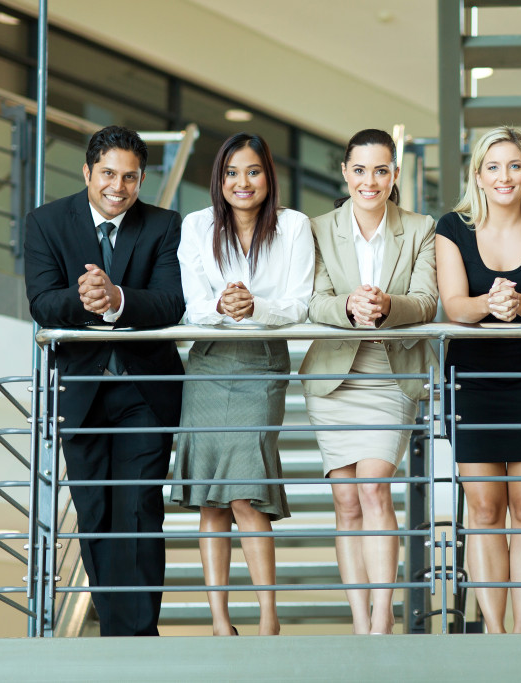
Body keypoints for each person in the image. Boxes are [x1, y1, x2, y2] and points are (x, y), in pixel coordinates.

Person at [23, 125, 185, 636]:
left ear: (141, 179)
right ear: (88, 171)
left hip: (144, 391)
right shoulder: (47, 222)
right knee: (95, 513)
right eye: (109, 174)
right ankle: (118, 634)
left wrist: (117, 298)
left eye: (131, 177)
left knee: (137, 508)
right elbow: (43, 302)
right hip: (82, 391)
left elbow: (170, 303)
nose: (119, 186)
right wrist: (89, 296)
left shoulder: (164, 225)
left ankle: (138, 638)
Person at [170, 133, 314, 636]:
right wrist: (222, 307)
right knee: (212, 497)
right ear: (219, 179)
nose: (242, 182)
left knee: (246, 495)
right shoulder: (196, 225)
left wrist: (255, 307)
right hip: (208, 363)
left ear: (268, 176)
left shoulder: (294, 226)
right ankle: (219, 622)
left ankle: (269, 620)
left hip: (262, 362)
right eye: (231, 172)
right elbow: (191, 304)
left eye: (252, 171)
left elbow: (300, 302)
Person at [300, 129, 438, 635]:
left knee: (375, 486)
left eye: (381, 170)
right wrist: (347, 307)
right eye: (360, 170)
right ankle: (360, 624)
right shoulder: (318, 228)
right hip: (336, 376)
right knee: (346, 499)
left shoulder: (422, 228)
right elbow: (313, 301)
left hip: (391, 371)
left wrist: (385, 307)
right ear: (345, 173)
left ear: (395, 175)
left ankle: (383, 619)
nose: (370, 181)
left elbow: (425, 302)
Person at [436, 126, 521, 634]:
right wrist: (488, 306)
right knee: (485, 508)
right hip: (471, 379)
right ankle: (494, 631)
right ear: (478, 175)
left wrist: (519, 305)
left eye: (514, 165)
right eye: (493, 166)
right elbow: (453, 305)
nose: (504, 176)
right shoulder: (452, 226)